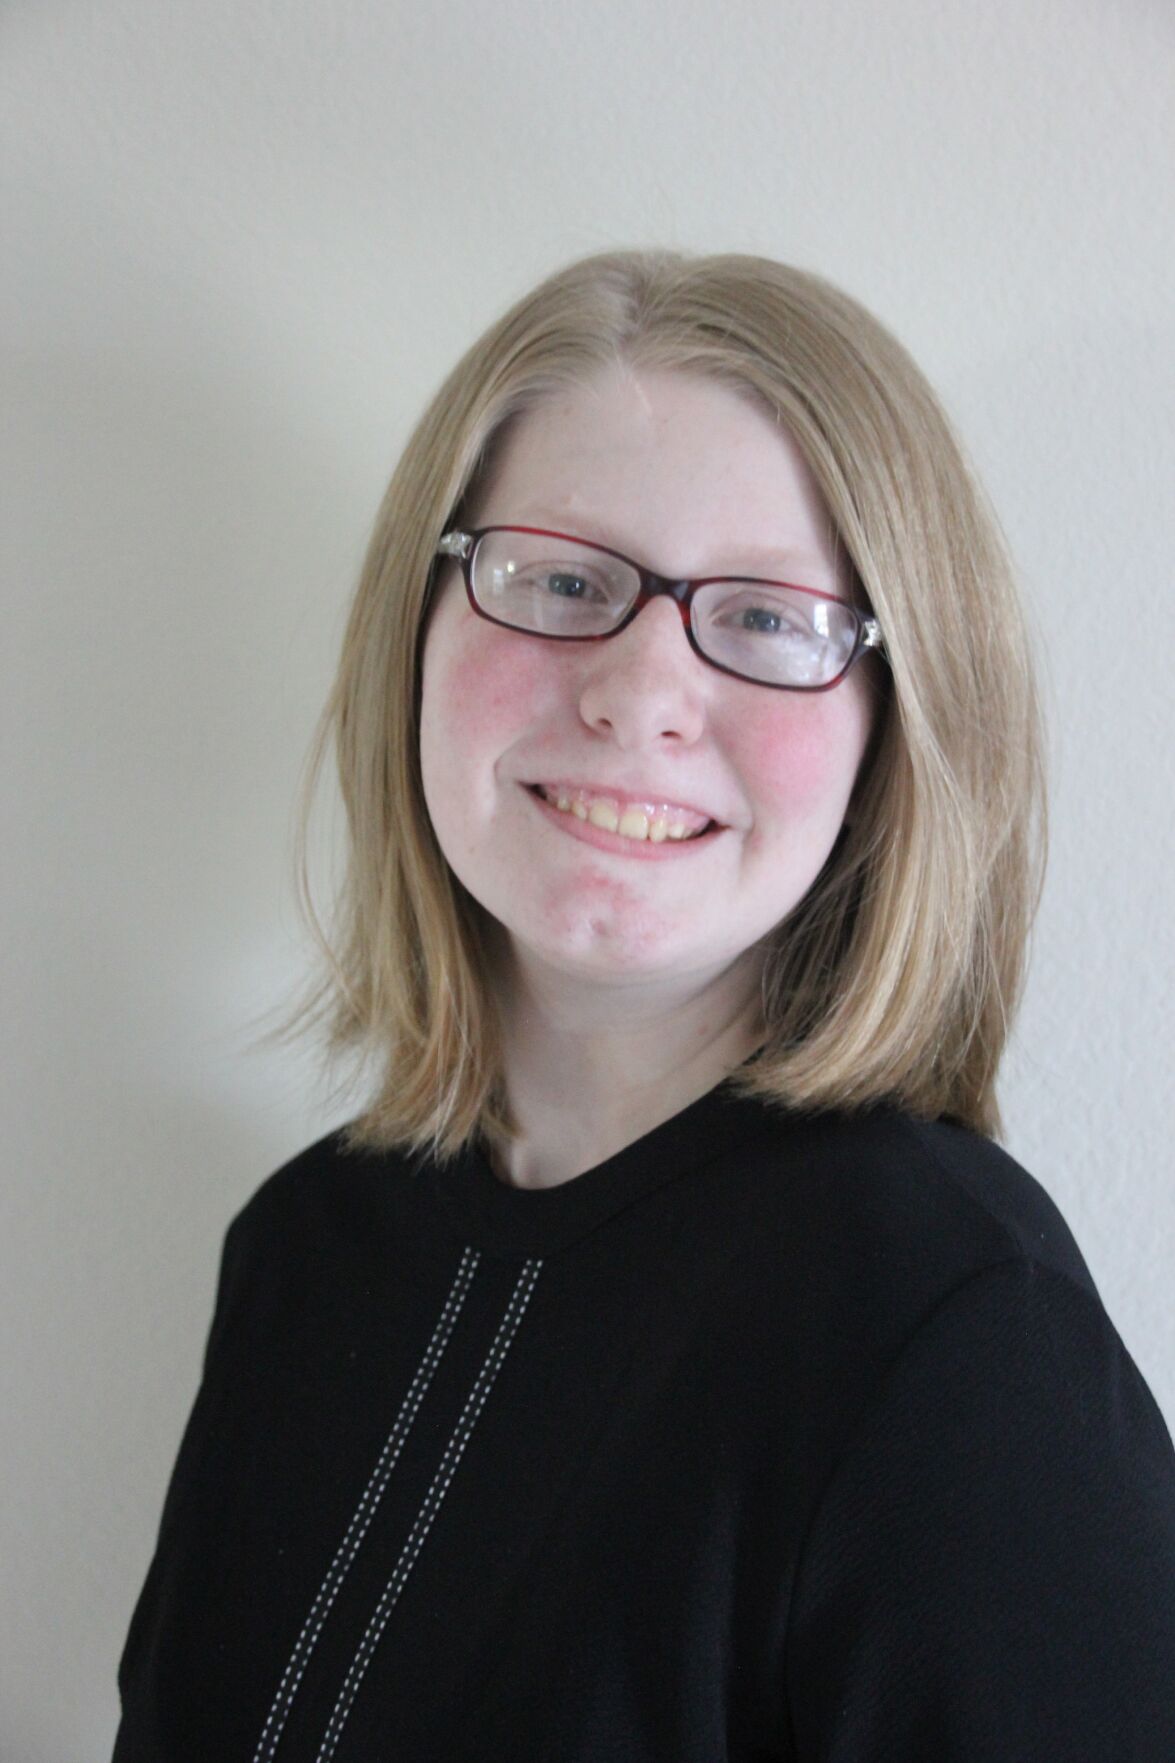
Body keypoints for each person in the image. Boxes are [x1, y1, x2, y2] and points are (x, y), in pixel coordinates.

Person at [113, 251, 1175, 1761]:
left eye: (766, 619)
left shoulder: (955, 1330)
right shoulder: (301, 1251)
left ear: (898, 728)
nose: (640, 691)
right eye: (561, 581)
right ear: (417, 628)